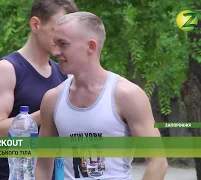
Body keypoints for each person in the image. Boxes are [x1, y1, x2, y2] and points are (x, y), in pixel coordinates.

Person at [35, 11, 168, 179]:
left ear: (91, 46)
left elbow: (158, 162)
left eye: (63, 44)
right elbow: (42, 165)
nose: (56, 52)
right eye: (55, 44)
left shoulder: (127, 95)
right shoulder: (52, 99)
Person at [0, 0, 78, 179]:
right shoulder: (7, 69)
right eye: (56, 32)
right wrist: (47, 112)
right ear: (36, 24)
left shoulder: (64, 73)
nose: (63, 40)